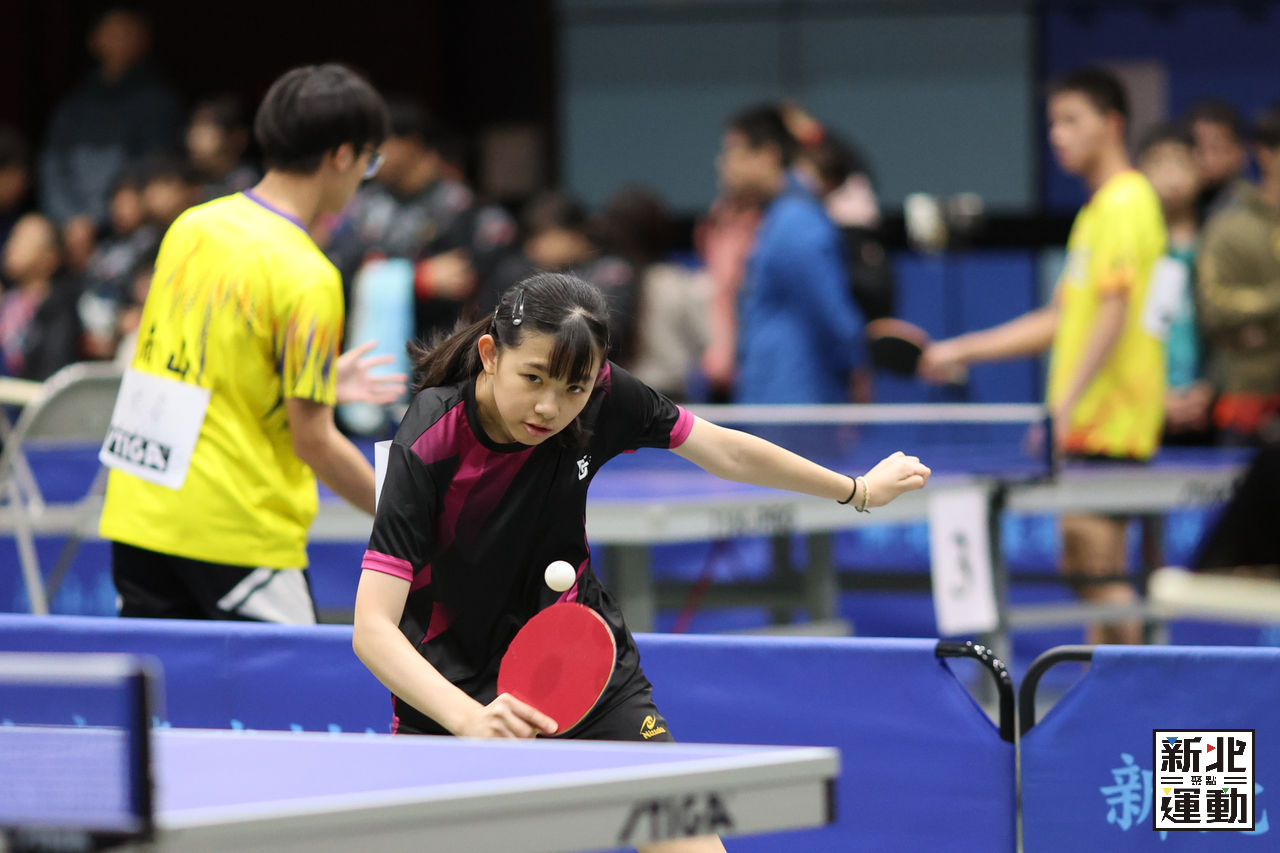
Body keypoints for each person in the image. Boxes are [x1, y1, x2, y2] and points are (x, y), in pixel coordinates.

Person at [352, 273, 930, 852]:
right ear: (490, 355)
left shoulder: (603, 395)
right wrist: (468, 718)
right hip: (452, 688)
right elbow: (372, 628)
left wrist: (857, 490)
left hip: (580, 665)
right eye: (533, 378)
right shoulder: (431, 438)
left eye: (574, 387)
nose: (550, 407)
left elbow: (724, 450)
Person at [98, 64, 404, 624]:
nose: (366, 176)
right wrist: (408, 518)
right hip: (237, 533)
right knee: (291, 683)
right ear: (342, 156)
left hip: (139, 516)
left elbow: (196, 361)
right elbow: (314, 442)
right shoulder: (307, 275)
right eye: (370, 160)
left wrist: (315, 380)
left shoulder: (191, 227)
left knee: (161, 685)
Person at [921, 68, 1167, 645]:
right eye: (1053, 122)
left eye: (1071, 120)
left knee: (1093, 572)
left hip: (1108, 420)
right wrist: (962, 350)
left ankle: (1145, 686)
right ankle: (1112, 691)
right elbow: (1059, 319)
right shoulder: (1096, 212)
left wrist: (1062, 408)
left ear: (1112, 124)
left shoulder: (1126, 202)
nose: (1057, 134)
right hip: (1095, 420)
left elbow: (1112, 312)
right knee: (1094, 571)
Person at [718, 104, 866, 403]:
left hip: (796, 404)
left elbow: (832, 314)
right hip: (776, 398)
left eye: (734, 152)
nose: (723, 164)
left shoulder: (796, 223)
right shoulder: (779, 218)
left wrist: (858, 370)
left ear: (767, 155)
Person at [38, 8, 181, 272]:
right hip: (68, 225)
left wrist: (99, 216)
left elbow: (154, 162)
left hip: (126, 219)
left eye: (128, 33)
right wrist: (70, 217)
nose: (121, 41)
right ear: (94, 40)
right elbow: (53, 165)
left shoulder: (158, 101)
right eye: (113, 33)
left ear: (144, 39)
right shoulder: (74, 103)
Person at [1197, 105, 1280, 446]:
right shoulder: (1229, 225)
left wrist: (1259, 328)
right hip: (1247, 402)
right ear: (1266, 154)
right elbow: (1215, 308)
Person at [1137, 124, 1214, 445]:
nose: (1171, 175)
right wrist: (1154, 394)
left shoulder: (1219, 239)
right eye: (1158, 163)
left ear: (1200, 167)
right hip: (1141, 409)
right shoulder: (1131, 245)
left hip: (1212, 409)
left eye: (1180, 162)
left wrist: (1211, 387)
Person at [597, 185, 709, 400]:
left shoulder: (601, 284)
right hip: (669, 400)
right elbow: (705, 343)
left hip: (617, 399)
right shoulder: (678, 284)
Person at [0, 213, 82, 380]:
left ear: (50, 259)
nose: (11, 246)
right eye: (13, 237)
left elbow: (51, 374)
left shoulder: (58, 310)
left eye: (25, 241)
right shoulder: (6, 298)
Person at [1186, 99, 1250, 224]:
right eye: (1198, 147)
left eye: (1215, 148)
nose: (1206, 159)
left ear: (1239, 153)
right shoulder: (1176, 204)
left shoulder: (1252, 209)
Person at [185, 95, 259, 201]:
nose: (193, 137)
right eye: (193, 127)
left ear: (236, 137)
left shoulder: (248, 185)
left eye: (205, 129)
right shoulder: (188, 180)